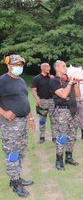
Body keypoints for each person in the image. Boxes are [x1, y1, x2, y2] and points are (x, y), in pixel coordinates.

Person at [0, 55, 35, 197]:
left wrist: (31, 117)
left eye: (21, 64)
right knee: (12, 153)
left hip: (22, 122)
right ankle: (15, 183)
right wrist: (4, 113)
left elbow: (24, 100)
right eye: (16, 64)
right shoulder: (2, 81)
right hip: (10, 124)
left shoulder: (21, 81)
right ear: (9, 65)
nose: (19, 67)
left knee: (20, 151)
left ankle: (17, 177)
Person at [50, 60, 81, 171]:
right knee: (62, 136)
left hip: (73, 110)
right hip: (62, 112)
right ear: (57, 68)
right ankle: (59, 160)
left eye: (66, 66)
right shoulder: (54, 81)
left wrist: (75, 84)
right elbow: (63, 94)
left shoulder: (68, 79)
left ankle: (69, 157)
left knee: (72, 135)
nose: (66, 67)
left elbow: (78, 96)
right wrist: (69, 83)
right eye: (63, 66)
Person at [32, 63, 57, 144]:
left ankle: (54, 137)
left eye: (49, 66)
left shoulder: (52, 78)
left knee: (53, 120)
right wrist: (37, 99)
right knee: (42, 120)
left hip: (52, 101)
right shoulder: (36, 78)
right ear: (42, 68)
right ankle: (42, 137)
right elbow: (34, 90)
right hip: (42, 101)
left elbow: (57, 88)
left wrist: (53, 79)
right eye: (46, 67)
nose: (48, 68)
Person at [67, 64, 83, 140]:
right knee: (72, 117)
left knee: (82, 117)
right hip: (73, 99)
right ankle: (73, 135)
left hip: (82, 100)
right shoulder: (69, 71)